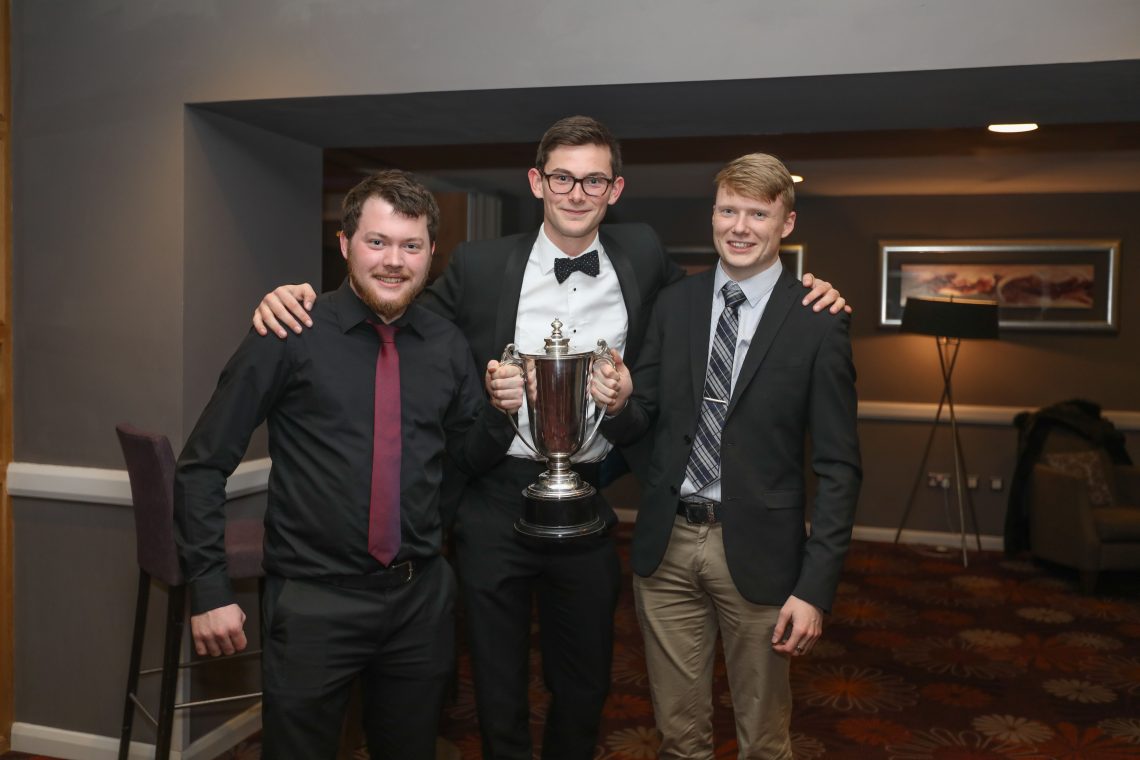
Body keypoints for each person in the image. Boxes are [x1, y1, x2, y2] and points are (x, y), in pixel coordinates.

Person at [249, 117, 848, 760]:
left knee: (585, 684)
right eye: (562, 177)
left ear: (615, 190)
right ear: (537, 182)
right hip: (493, 501)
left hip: (588, 501)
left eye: (593, 180)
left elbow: (721, 292)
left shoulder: (642, 254)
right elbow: (392, 304)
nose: (576, 193)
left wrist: (801, 292)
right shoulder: (481, 265)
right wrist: (306, 301)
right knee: (496, 684)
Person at [174, 170, 516, 760]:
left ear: (432, 252)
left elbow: (464, 462)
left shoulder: (447, 344)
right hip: (313, 602)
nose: (394, 261)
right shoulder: (288, 331)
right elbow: (202, 465)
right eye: (377, 242)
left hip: (418, 600)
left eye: (411, 245)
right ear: (345, 244)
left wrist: (501, 413)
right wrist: (209, 589)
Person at [599, 153, 862, 759]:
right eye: (727, 211)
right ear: (712, 215)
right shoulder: (676, 304)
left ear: (786, 223)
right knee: (678, 739)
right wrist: (618, 404)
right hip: (666, 548)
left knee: (764, 742)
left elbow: (839, 468)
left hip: (763, 555)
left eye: (757, 214)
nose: (739, 227)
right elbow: (643, 423)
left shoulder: (818, 321)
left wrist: (815, 588)